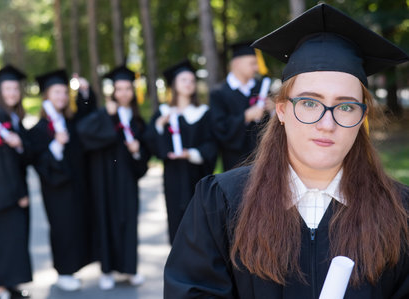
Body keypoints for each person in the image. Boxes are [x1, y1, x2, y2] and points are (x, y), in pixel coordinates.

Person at [164, 4, 409, 298]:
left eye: (345, 107)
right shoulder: (222, 204)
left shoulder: (399, 213)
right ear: (281, 110)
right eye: (309, 103)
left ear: (362, 117)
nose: (326, 123)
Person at [77, 65, 150, 290]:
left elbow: (144, 159)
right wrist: (104, 114)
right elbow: (83, 131)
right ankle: (107, 270)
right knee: (106, 220)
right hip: (104, 179)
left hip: (127, 180)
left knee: (128, 222)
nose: (124, 93)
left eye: (128, 88)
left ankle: (129, 269)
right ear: (113, 92)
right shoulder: (104, 114)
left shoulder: (137, 121)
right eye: (119, 89)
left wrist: (137, 150)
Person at [28, 70, 92, 291]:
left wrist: (84, 92)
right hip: (55, 189)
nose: (62, 97)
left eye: (65, 92)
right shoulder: (38, 129)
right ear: (46, 95)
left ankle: (71, 270)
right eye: (56, 92)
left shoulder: (69, 122)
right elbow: (37, 161)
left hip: (75, 185)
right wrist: (56, 144)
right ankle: (63, 272)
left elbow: (87, 115)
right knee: (62, 227)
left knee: (75, 225)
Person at [145, 60, 217, 244]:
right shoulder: (163, 113)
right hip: (173, 176)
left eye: (192, 80)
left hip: (197, 175)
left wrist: (191, 154)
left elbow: (211, 144)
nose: (188, 83)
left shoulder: (202, 113)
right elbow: (151, 143)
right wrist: (159, 126)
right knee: (176, 218)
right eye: (184, 79)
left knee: (199, 219)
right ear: (174, 84)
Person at [0, 65, 32, 299]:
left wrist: (19, 144)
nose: (12, 93)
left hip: (13, 191)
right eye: (7, 89)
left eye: (15, 88)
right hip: (4, 193)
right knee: (4, 239)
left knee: (15, 240)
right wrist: (18, 193)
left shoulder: (13, 119)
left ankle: (10, 285)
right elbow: (0, 167)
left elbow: (24, 153)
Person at [210, 41, 274, 171]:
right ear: (237, 63)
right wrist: (246, 116)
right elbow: (220, 130)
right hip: (234, 162)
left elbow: (274, 127)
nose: (256, 68)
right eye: (252, 63)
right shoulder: (219, 93)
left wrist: (274, 109)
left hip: (262, 160)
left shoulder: (261, 88)